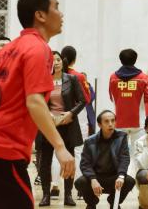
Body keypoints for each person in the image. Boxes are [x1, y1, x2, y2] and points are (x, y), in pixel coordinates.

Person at [0, 0, 75, 209]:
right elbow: (34, 101)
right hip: (4, 154)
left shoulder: (2, 54)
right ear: (40, 15)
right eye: (56, 7)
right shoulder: (38, 48)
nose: (61, 13)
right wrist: (60, 146)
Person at [39, 50, 85, 207]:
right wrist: (47, 114)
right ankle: (46, 195)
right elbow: (37, 101)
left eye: (58, 59)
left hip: (67, 125)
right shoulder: (42, 80)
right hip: (48, 125)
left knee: (68, 161)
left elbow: (82, 100)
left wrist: (71, 113)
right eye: (53, 60)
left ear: (62, 62)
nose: (56, 62)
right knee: (45, 162)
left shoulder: (71, 79)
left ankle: (68, 195)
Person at [75, 110, 135, 209]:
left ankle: (113, 202)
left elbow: (124, 158)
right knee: (80, 182)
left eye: (113, 120)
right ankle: (92, 203)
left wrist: (121, 176)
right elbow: (85, 164)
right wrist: (93, 179)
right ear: (100, 124)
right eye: (106, 121)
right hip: (96, 177)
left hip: (114, 178)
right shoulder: (90, 141)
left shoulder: (122, 137)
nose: (110, 124)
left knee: (129, 181)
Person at [109, 48, 148, 154]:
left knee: (119, 155)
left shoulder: (113, 77)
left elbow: (111, 97)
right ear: (135, 60)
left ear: (120, 60)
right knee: (139, 154)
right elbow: (147, 98)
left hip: (119, 122)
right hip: (138, 123)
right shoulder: (143, 77)